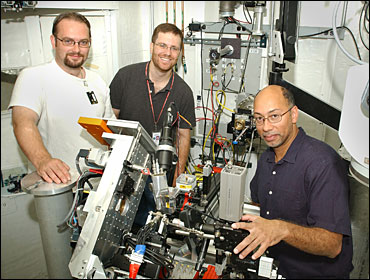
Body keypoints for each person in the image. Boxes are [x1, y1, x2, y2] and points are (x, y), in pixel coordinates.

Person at [232, 85, 353, 278]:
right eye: (259, 118)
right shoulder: (266, 160)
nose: (266, 127)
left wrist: (281, 229)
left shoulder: (323, 164)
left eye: (274, 116)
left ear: (294, 115)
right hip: (277, 269)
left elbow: (333, 245)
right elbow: (258, 207)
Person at [8, 12, 115, 185]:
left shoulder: (97, 81)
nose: (76, 49)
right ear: (53, 41)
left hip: (97, 185)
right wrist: (43, 160)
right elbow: (23, 123)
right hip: (58, 186)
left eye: (83, 42)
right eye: (68, 41)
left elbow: (110, 131)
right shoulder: (33, 77)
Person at [109, 23, 196, 226]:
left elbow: (184, 137)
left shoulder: (183, 92)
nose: (167, 53)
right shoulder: (125, 77)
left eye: (174, 48)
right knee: (119, 225)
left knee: (153, 227)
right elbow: (110, 122)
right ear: (151, 46)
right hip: (126, 169)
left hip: (160, 173)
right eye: (162, 45)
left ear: (180, 53)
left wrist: (178, 179)